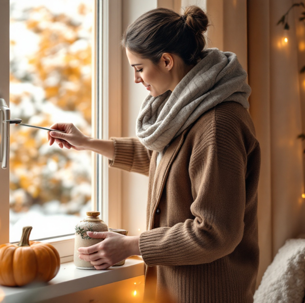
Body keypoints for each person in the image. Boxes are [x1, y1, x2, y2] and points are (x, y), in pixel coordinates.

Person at [47, 5, 261, 303]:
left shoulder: (216, 124)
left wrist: (131, 245)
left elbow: (215, 233)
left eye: (138, 68)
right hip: (175, 290)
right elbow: (165, 160)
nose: (137, 80)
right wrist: (88, 143)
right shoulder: (186, 110)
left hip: (207, 293)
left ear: (166, 60)